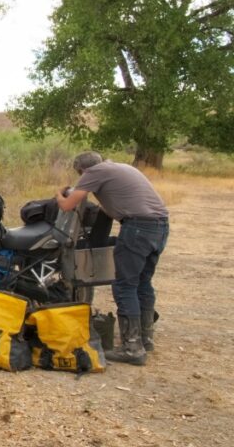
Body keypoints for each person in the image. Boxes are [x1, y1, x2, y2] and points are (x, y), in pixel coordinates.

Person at [56, 151, 169, 366]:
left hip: (137, 229)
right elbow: (110, 209)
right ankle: (146, 339)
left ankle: (132, 349)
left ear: (83, 170)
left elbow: (67, 205)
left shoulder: (94, 172)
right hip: (160, 226)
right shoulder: (120, 168)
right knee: (143, 283)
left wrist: (58, 195)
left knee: (124, 285)